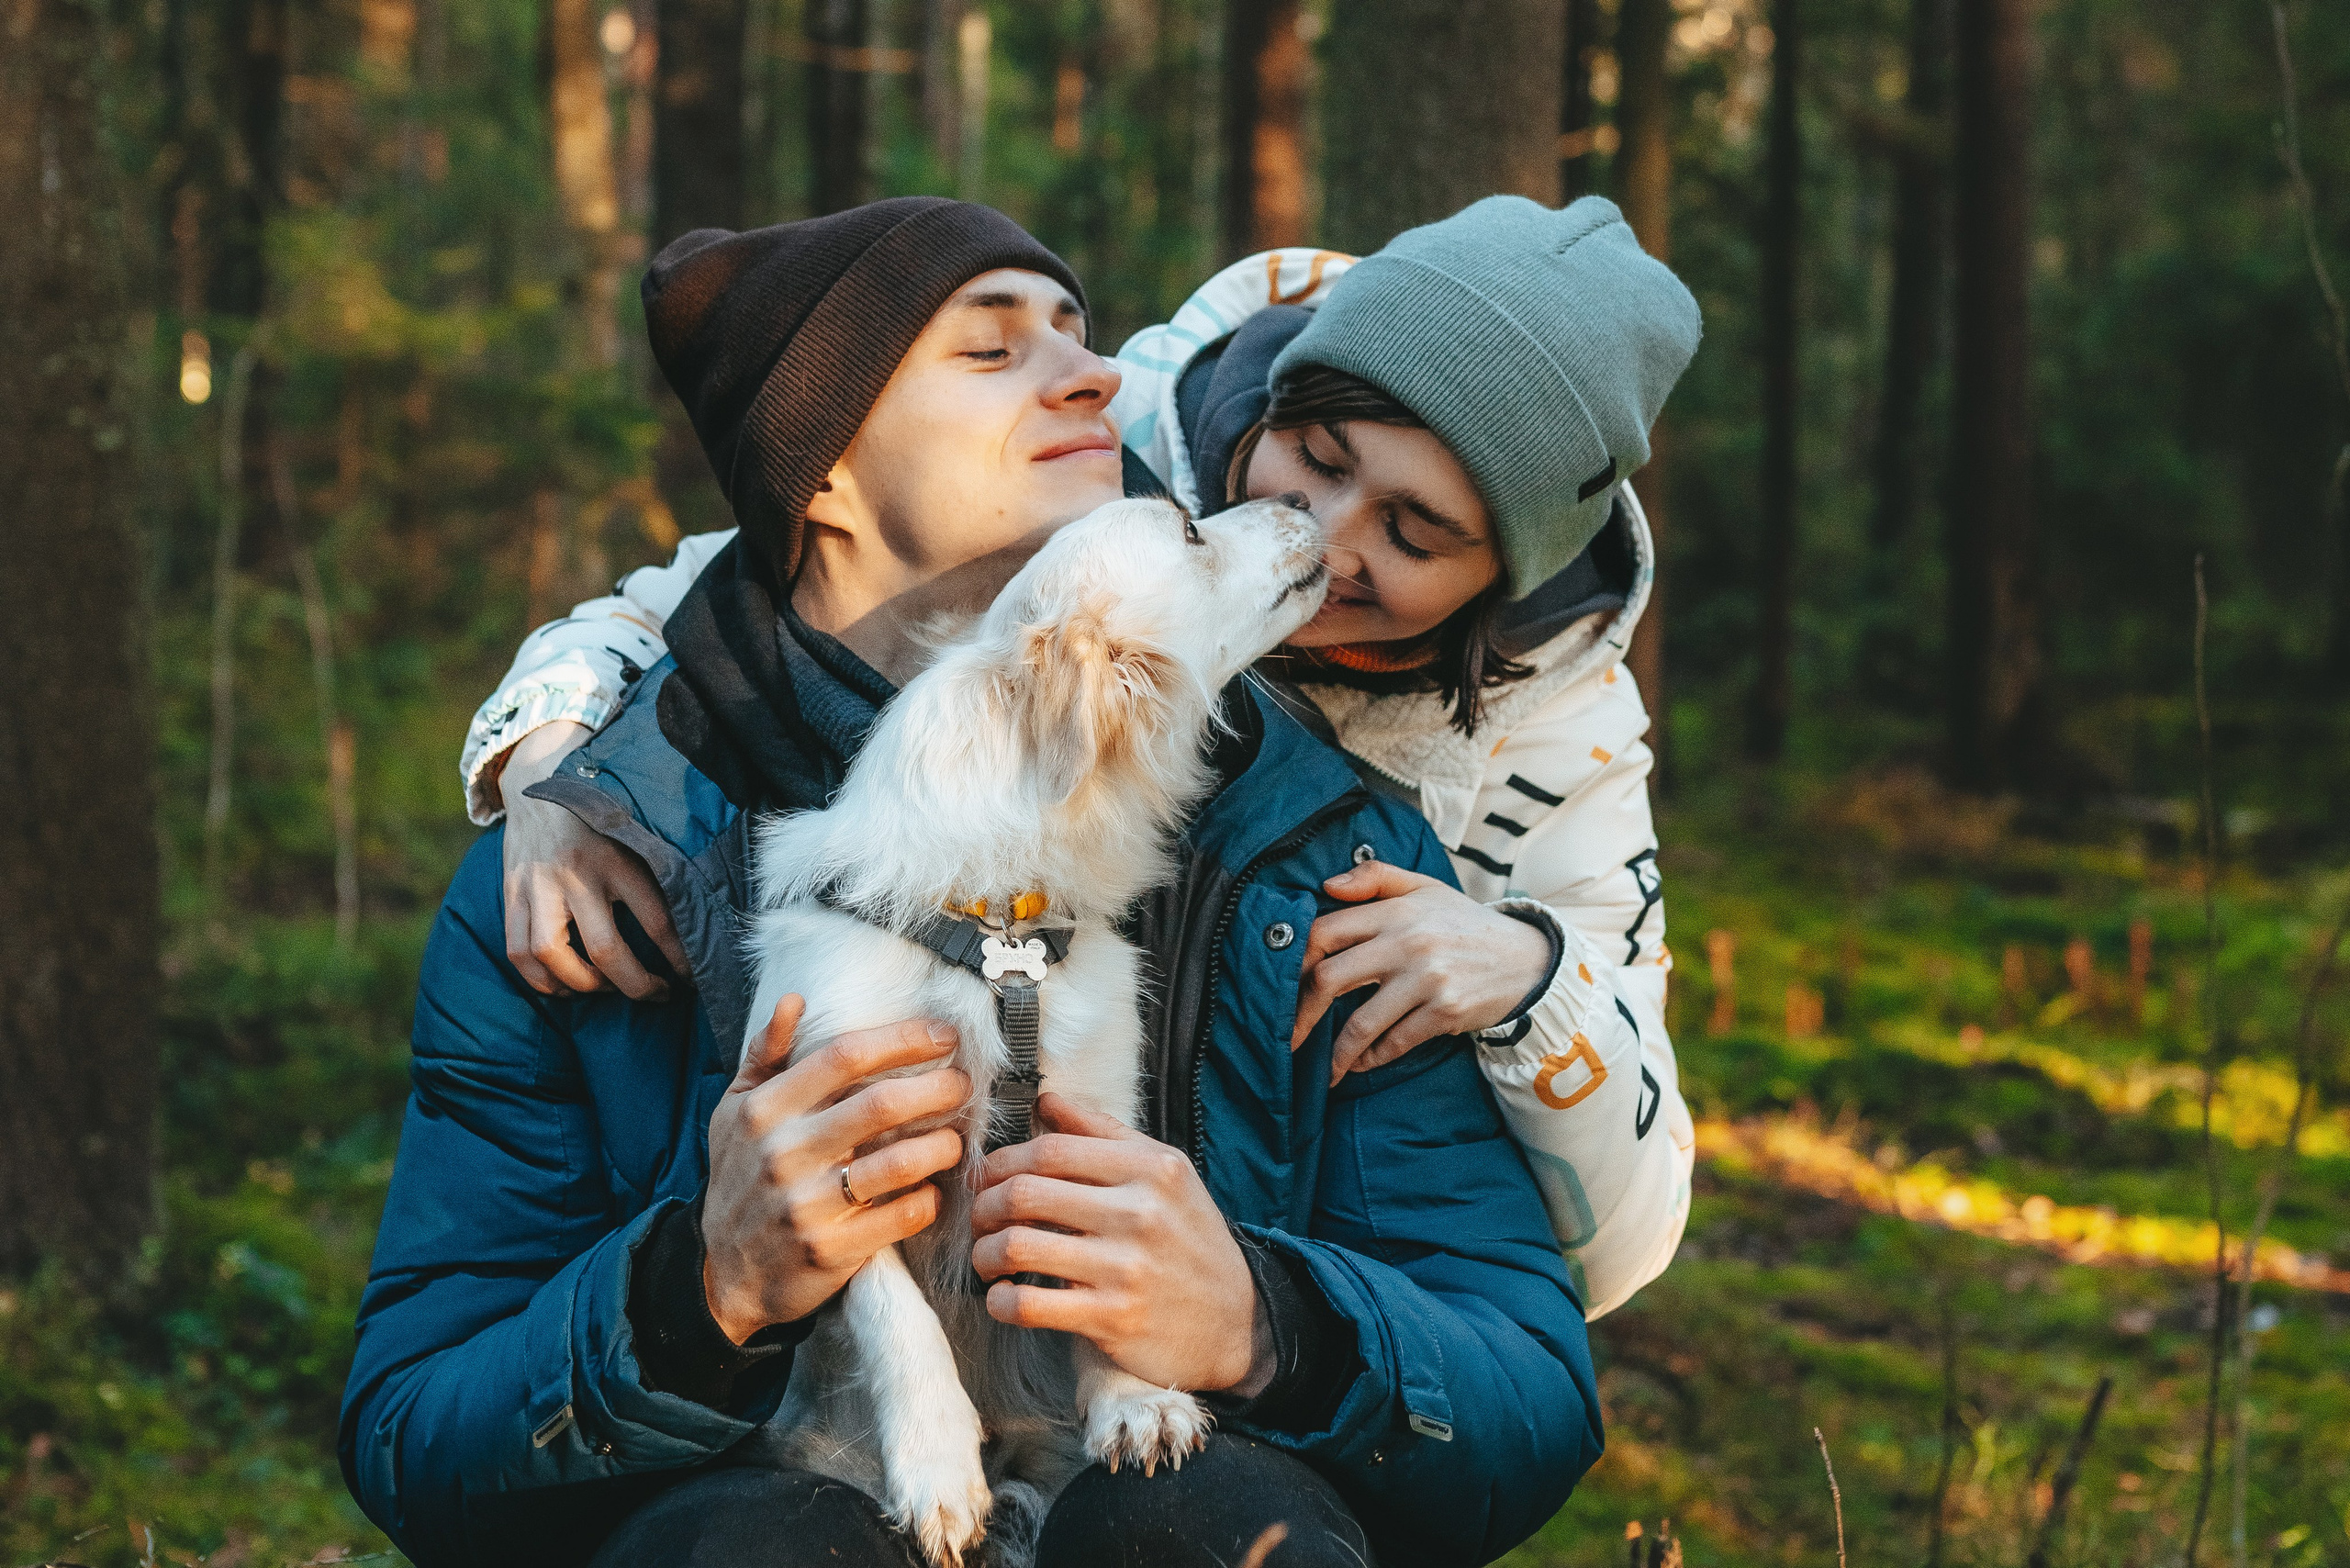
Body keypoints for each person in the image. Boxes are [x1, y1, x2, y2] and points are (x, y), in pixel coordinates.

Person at [341, 196, 1598, 1568]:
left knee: (1219, 1523)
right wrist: (693, 1292)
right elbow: (414, 1435)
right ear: (819, 471)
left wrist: (1268, 1323)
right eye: (992, 351)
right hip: (772, 1495)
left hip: (1149, 1490)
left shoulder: (1337, 862)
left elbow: (1526, 1394)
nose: (1096, 375)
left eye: (1076, 330)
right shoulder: (583, 864)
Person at [467, 195, 1703, 1320]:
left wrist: (1539, 984)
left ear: (1506, 576)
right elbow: (758, 572)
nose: (1322, 540)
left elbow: (1622, 1242)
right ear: (1281, 400)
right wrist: (547, 747)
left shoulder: (1564, 736)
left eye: (1415, 533)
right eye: (1319, 465)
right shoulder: (1106, 459)